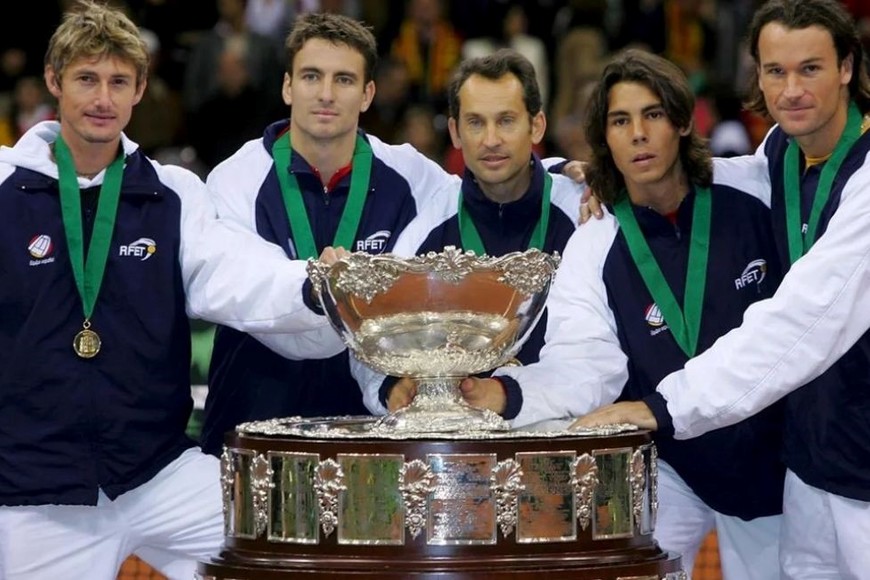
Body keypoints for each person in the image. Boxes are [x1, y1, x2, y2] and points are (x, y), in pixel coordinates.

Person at [0, 3, 343, 578]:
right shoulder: (6, 190)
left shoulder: (171, 194)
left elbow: (233, 273)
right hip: (37, 492)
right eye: (86, 79)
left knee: (284, 555)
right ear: (54, 82)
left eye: (118, 82)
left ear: (140, 91)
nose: (102, 99)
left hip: (156, 474)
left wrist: (311, 283)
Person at [449, 49, 786, 579]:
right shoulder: (596, 240)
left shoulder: (753, 191)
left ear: (681, 121)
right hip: (673, 461)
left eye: (653, 115)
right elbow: (584, 361)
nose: (638, 134)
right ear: (604, 138)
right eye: (620, 121)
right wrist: (507, 395)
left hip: (779, 460)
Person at [577, 2, 870, 578]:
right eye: (774, 71)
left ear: (846, 67)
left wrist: (666, 407)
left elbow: (801, 320)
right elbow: (721, 175)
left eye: (810, 68)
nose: (791, 90)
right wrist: (595, 176)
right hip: (811, 463)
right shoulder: (784, 153)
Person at [198, 12, 464, 457]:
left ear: (367, 94)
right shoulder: (236, 178)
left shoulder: (411, 176)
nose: (325, 94)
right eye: (311, 76)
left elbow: (485, 195)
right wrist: (314, 284)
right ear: (287, 87)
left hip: (365, 416)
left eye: (343, 79)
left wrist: (568, 180)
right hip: (254, 411)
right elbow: (229, 286)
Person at [356, 49, 581, 415]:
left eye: (506, 121)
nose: (491, 139)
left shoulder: (582, 212)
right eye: (475, 123)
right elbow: (374, 331)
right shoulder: (429, 224)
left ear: (536, 126)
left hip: (561, 436)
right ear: (455, 132)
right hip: (458, 444)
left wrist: (515, 396)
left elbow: (601, 351)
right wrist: (388, 388)